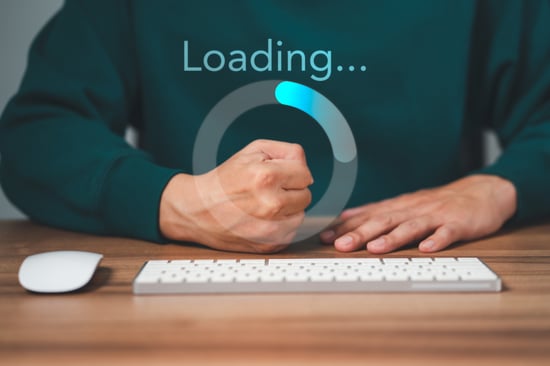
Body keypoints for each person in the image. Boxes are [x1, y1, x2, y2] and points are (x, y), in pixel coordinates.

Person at [1, 0, 549, 254]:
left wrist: (495, 190)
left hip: (426, 280)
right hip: (194, 294)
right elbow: (34, 134)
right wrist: (175, 203)